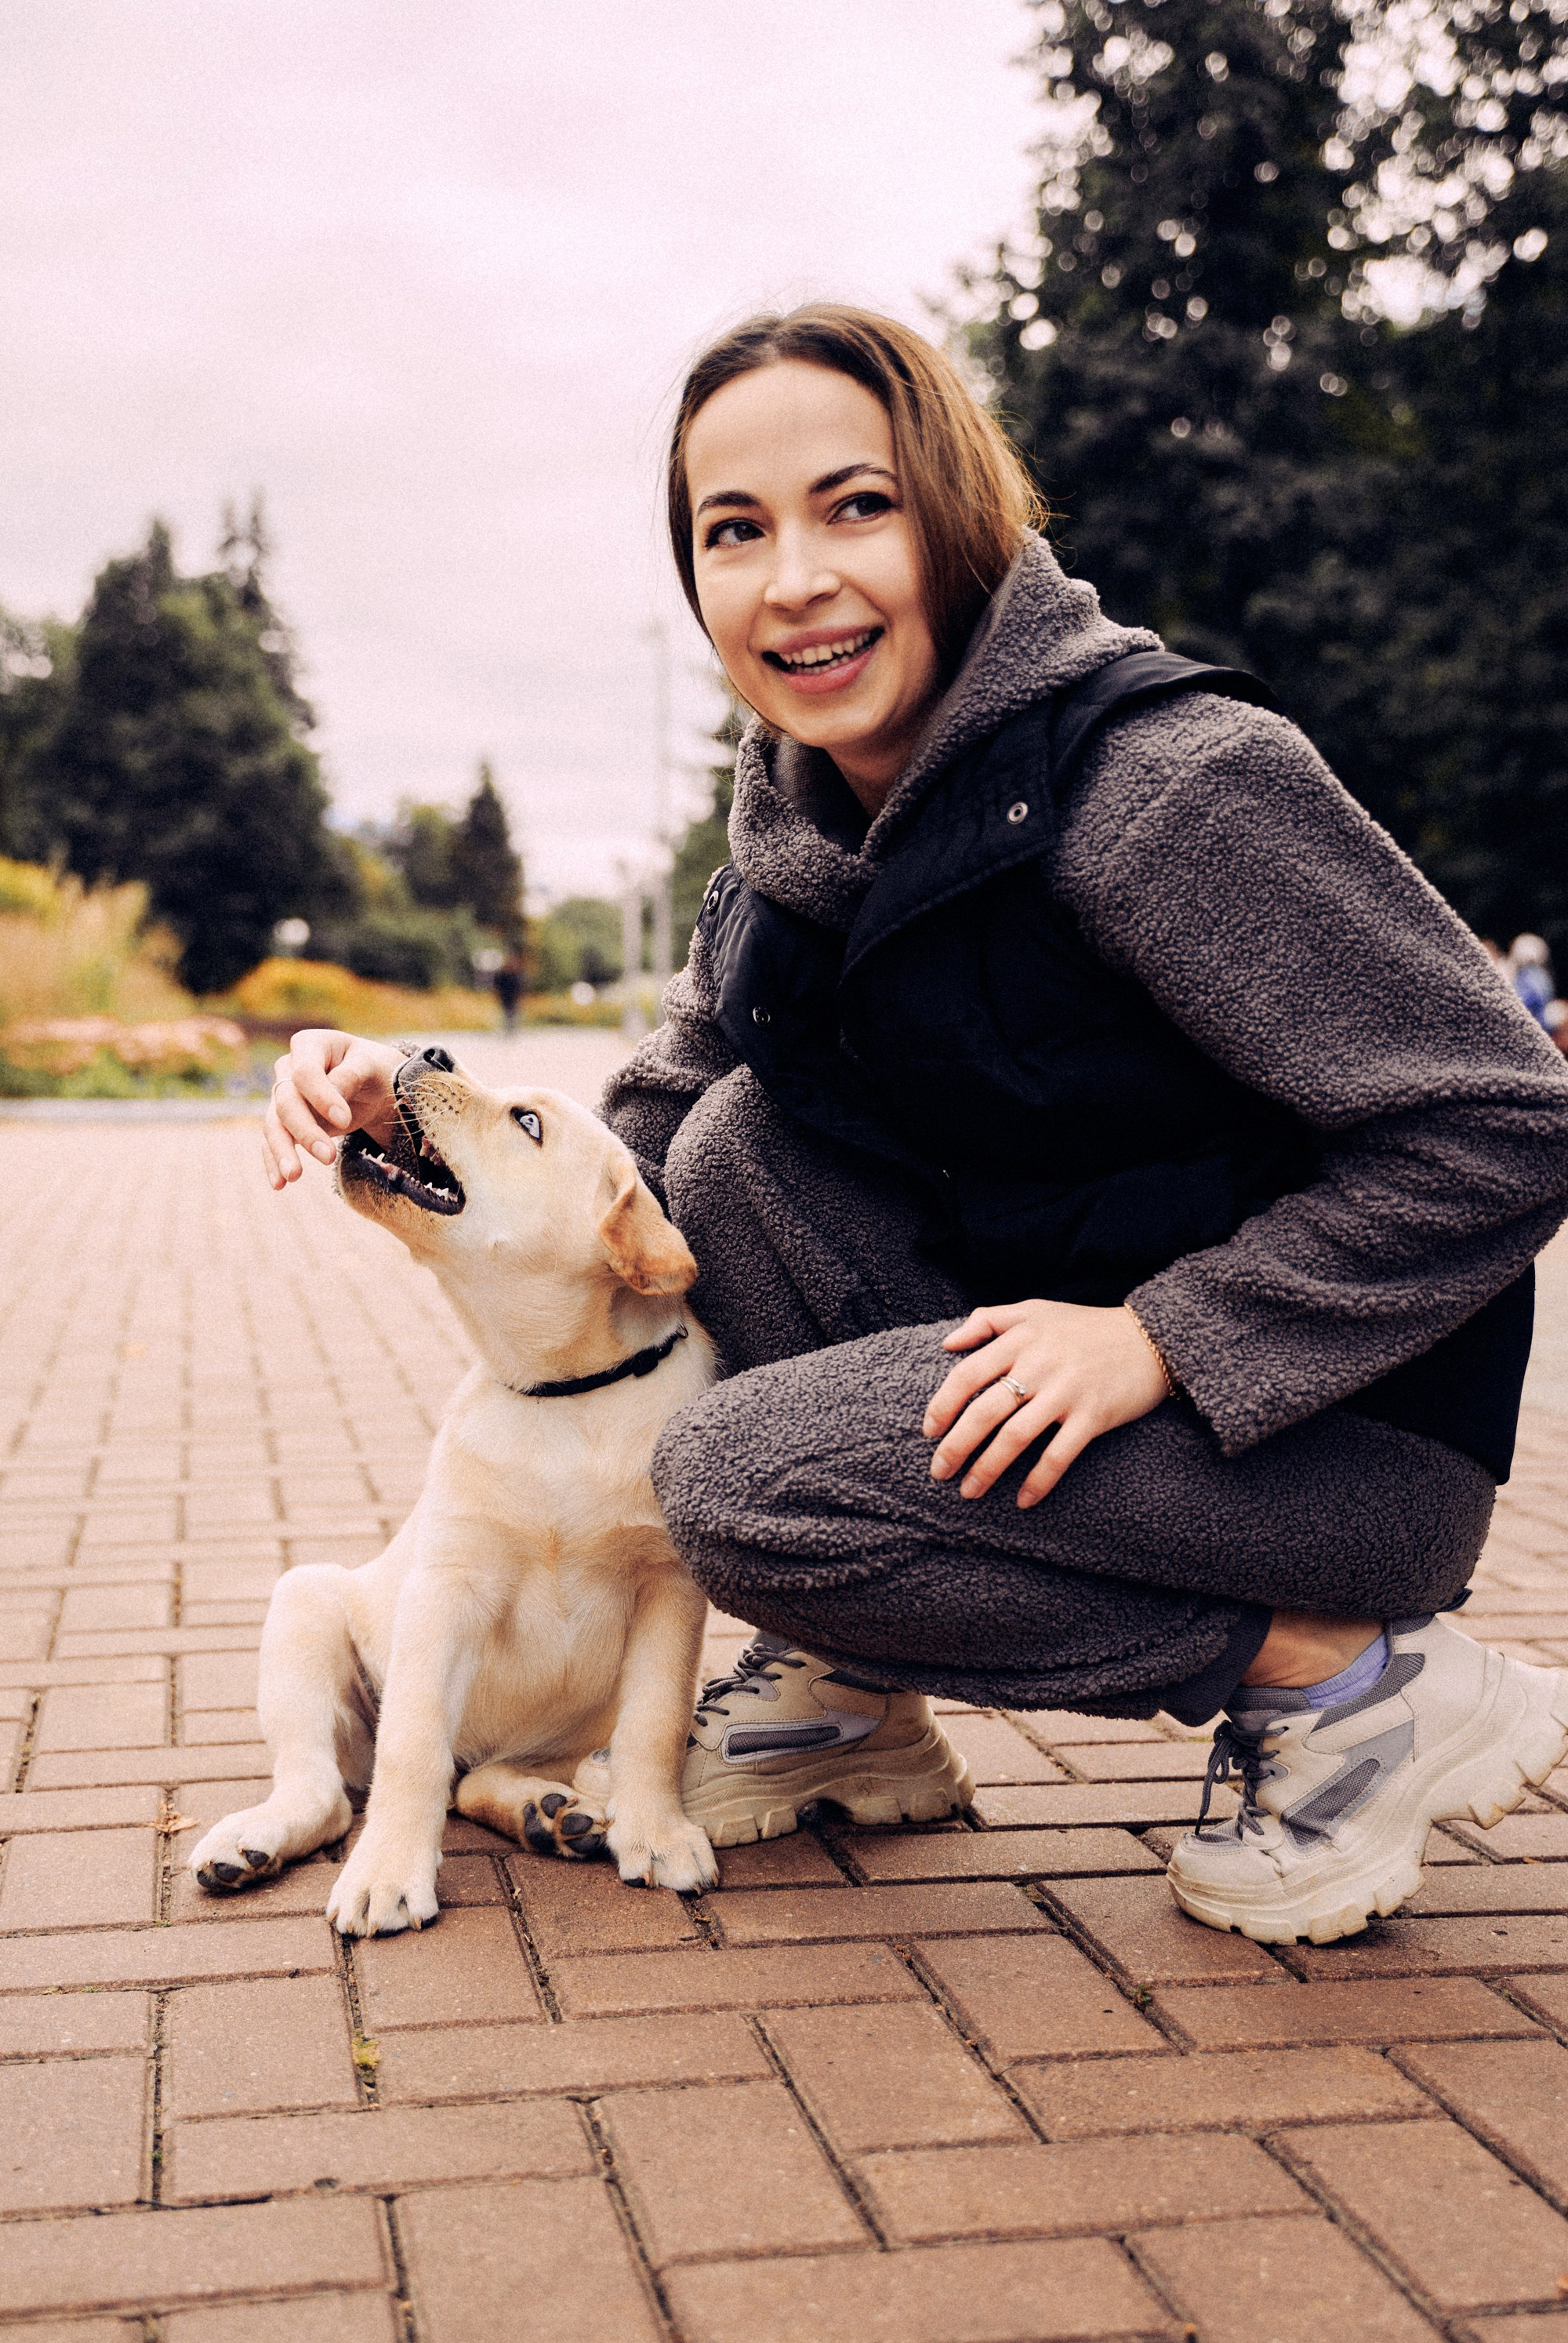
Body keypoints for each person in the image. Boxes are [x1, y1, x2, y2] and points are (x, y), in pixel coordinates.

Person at [264, 305, 1568, 1948]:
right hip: (1080, 1373)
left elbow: (1501, 1121)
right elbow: (640, 1162)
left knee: (733, 1489)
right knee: (730, 1150)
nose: (791, 576)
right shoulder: (798, 829)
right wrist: (416, 1123)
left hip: (1330, 1445)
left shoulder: (1159, 784)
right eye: (732, 532)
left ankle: (1352, 1688)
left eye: (852, 506)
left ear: (956, 517)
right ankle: (852, 1696)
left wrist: (1167, 1337)